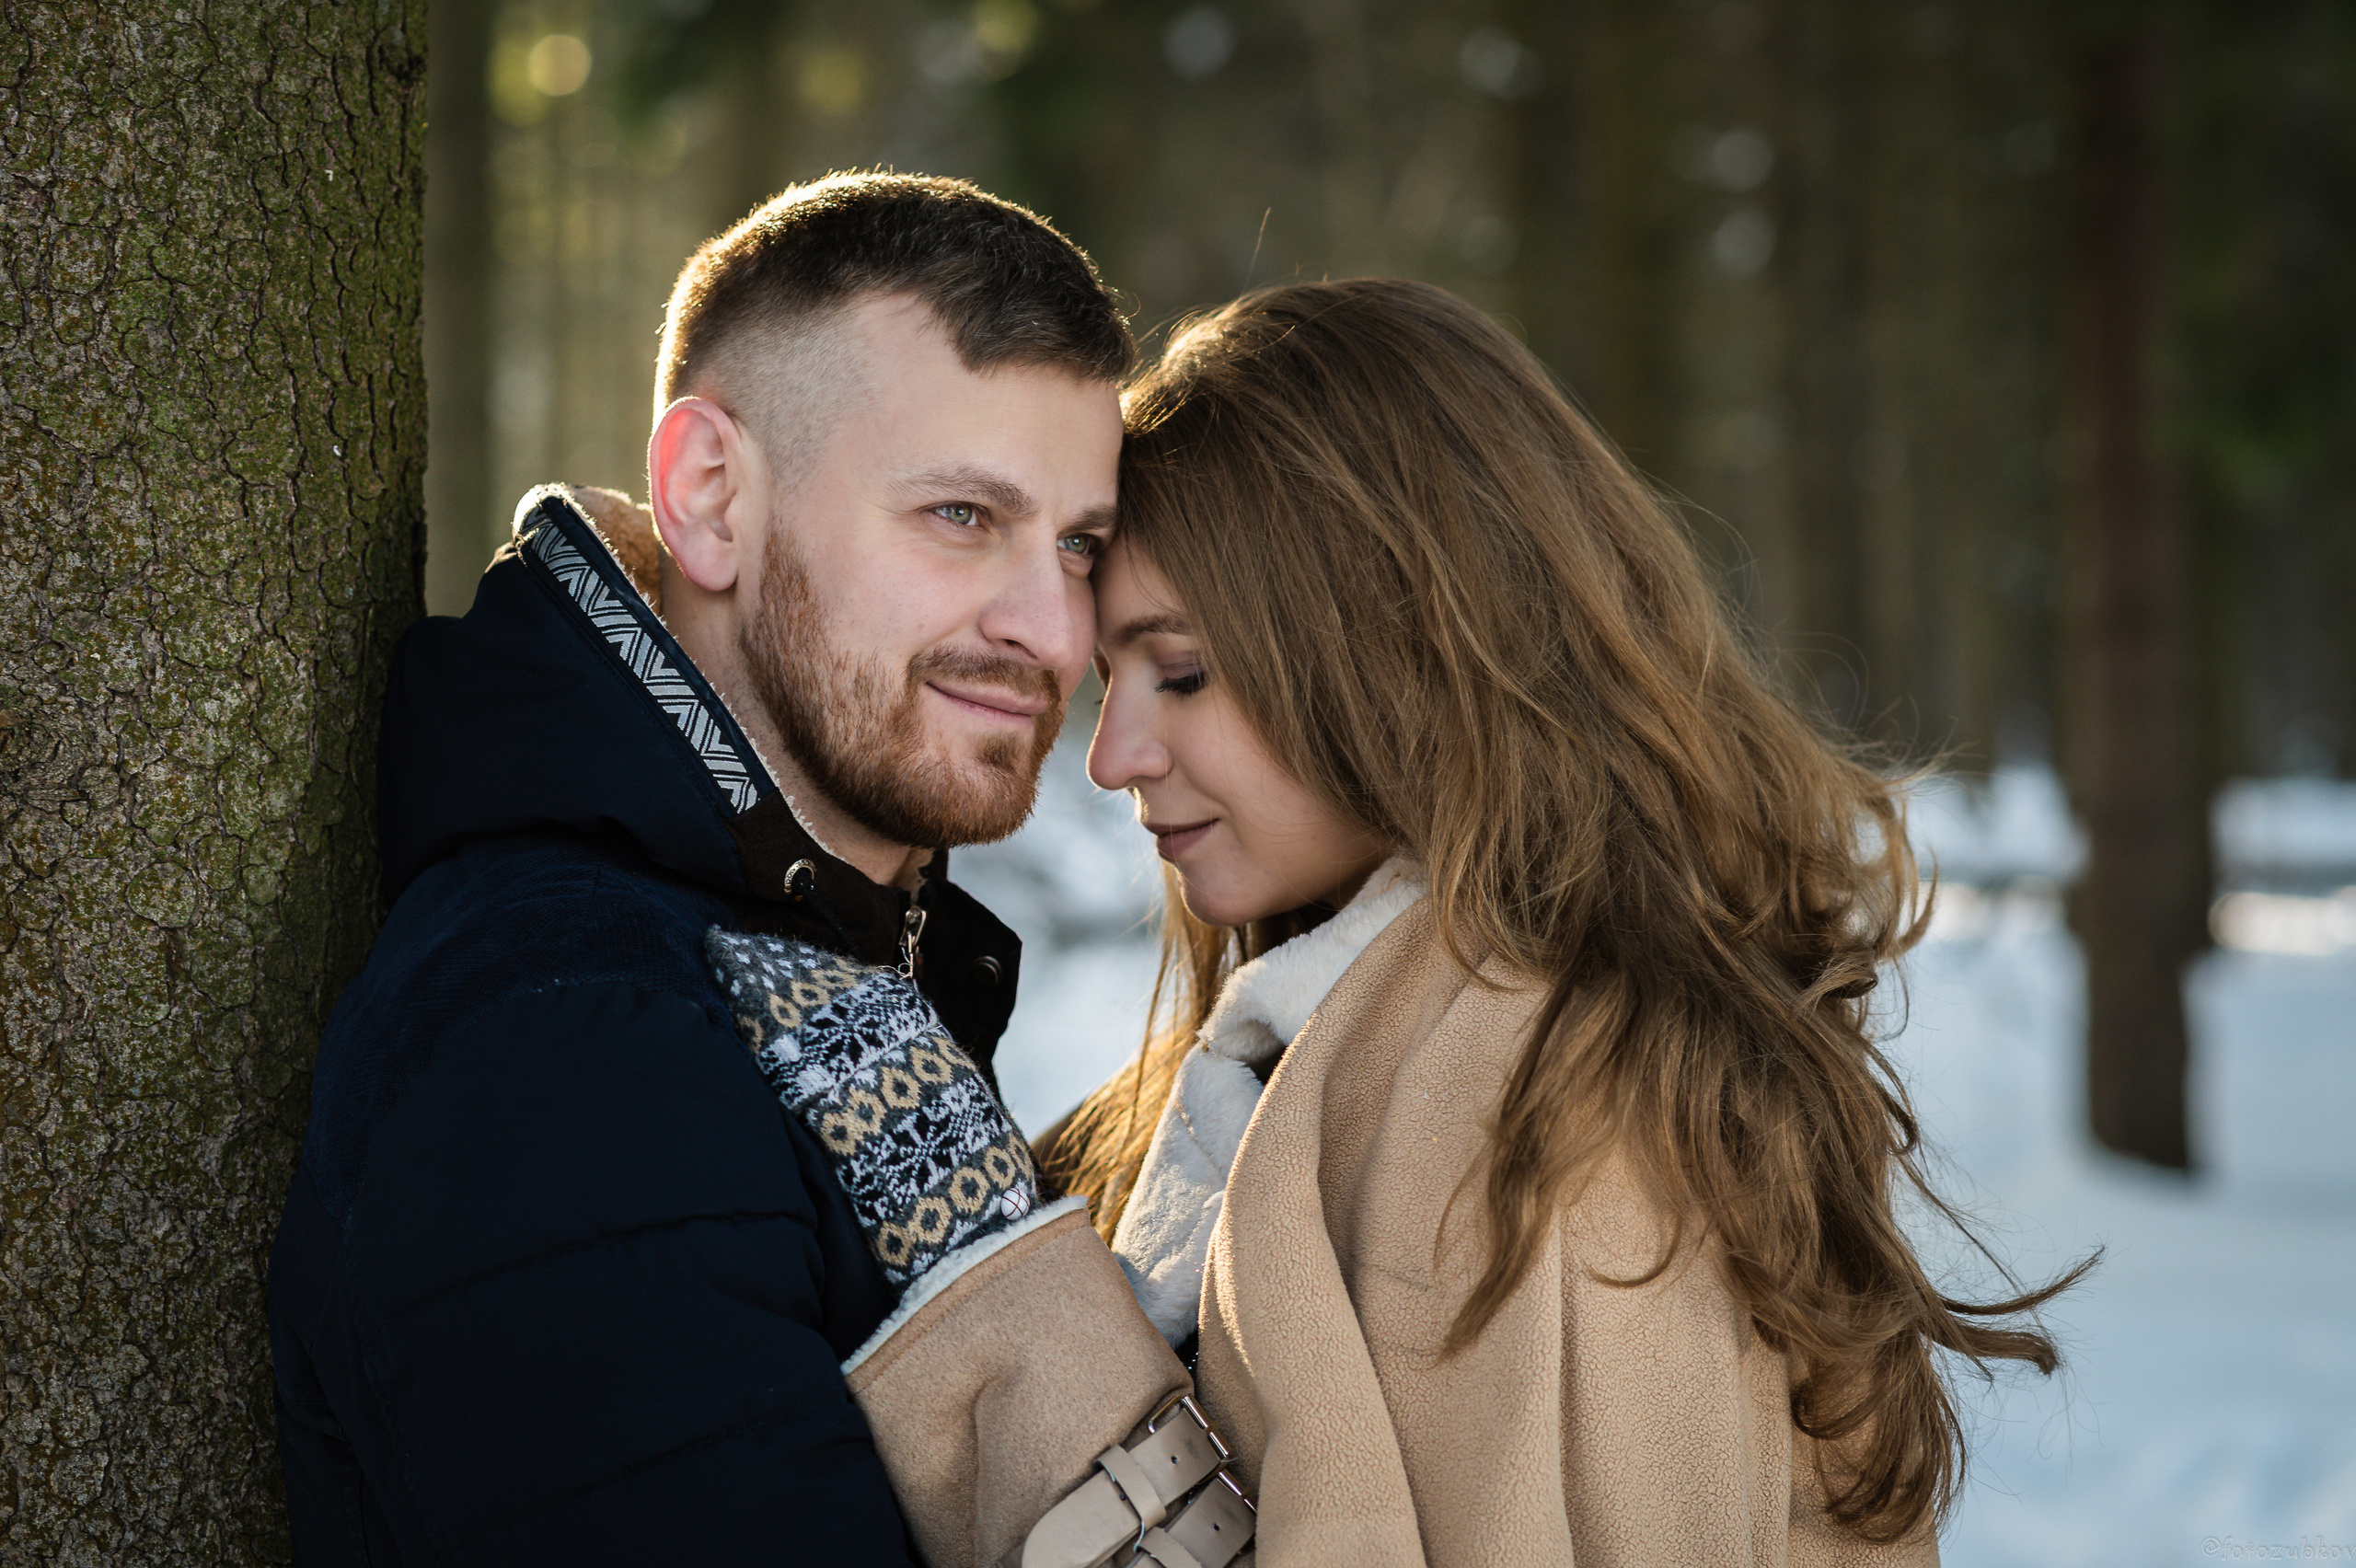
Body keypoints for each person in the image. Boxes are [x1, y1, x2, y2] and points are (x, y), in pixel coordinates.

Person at [1034, 277, 2085, 1566]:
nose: (1113, 755)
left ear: (1398, 644)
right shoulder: (1310, 1065)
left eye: (1181, 671)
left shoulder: (1544, 1116)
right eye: (1106, 680)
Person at [266, 173, 1199, 1566]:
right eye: (959, 516)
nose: (1049, 629)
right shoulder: (559, 1033)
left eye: (1077, 545)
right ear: (709, 495)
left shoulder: (827, 956)